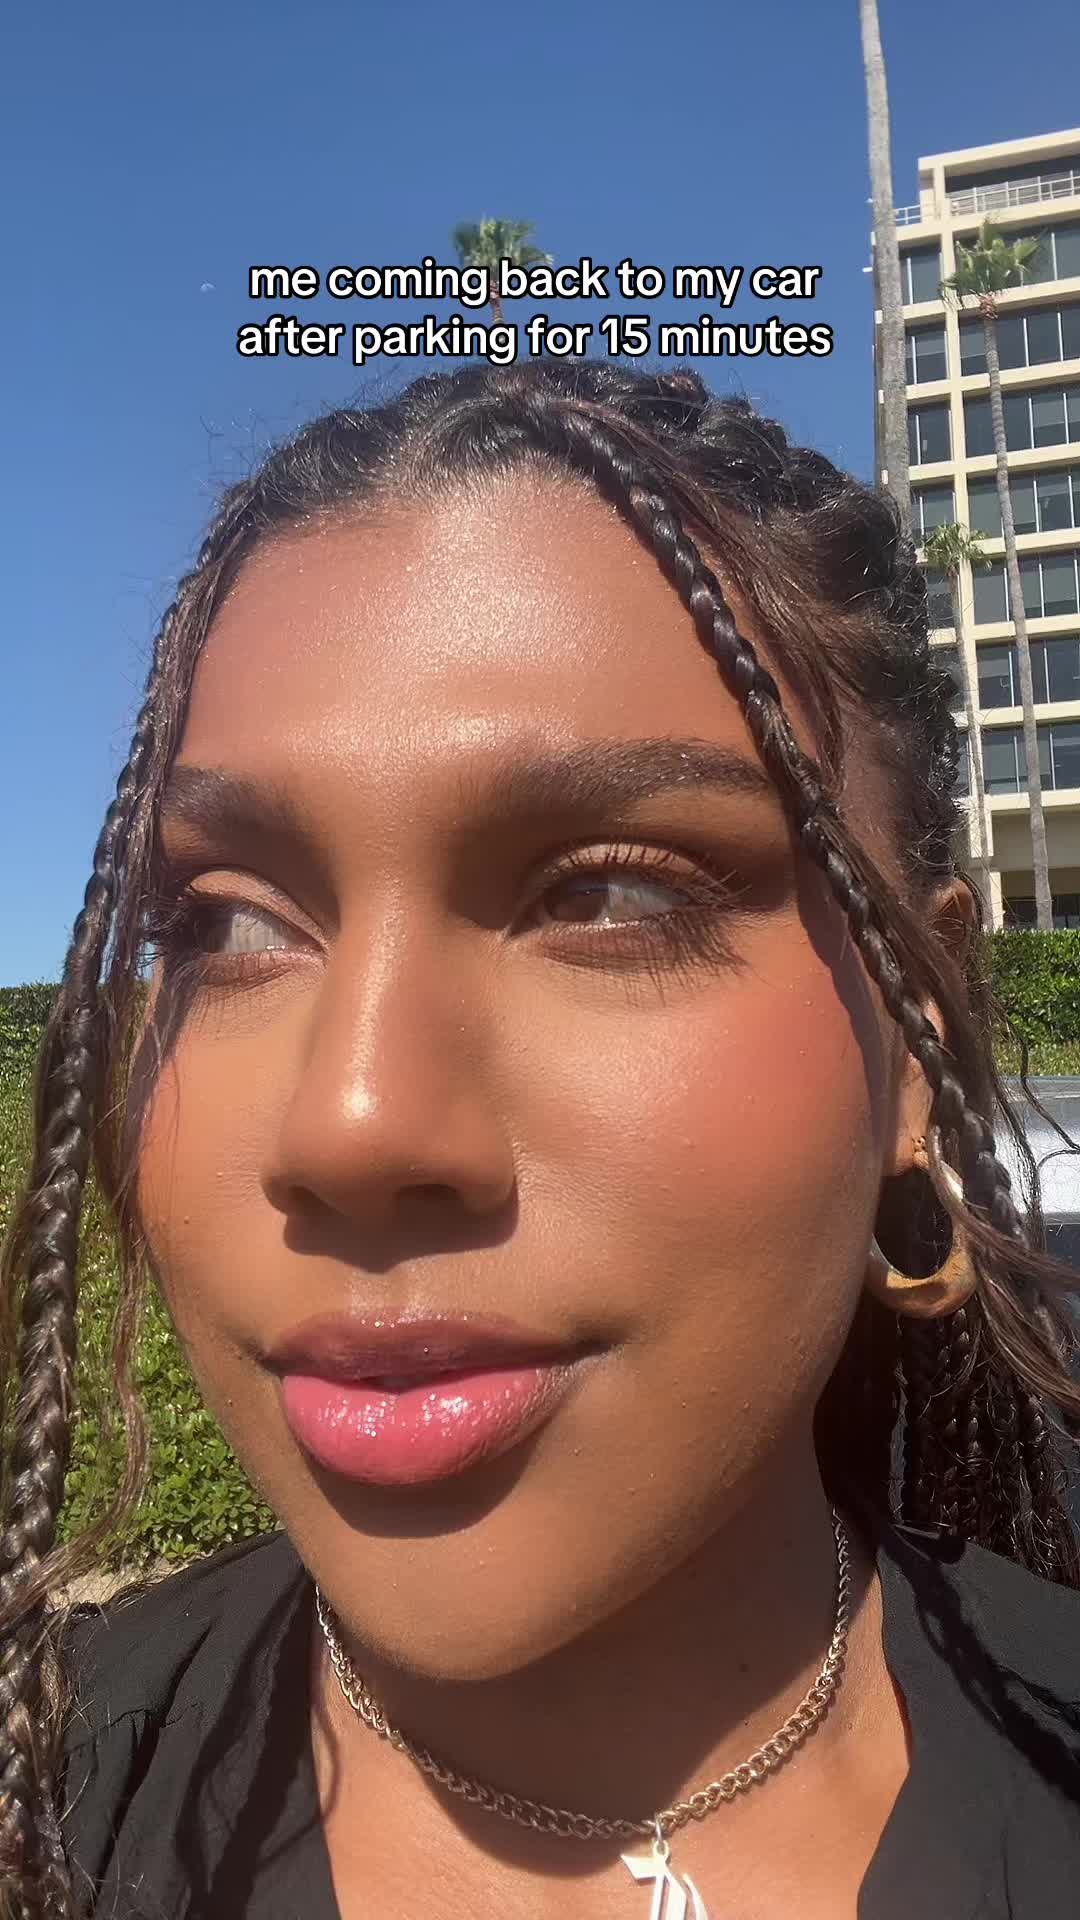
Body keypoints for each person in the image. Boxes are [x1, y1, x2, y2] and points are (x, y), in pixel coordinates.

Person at [2, 361, 1079, 1920]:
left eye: (611, 896)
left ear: (919, 1038)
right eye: (224, 923)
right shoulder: (52, 1804)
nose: (352, 1121)